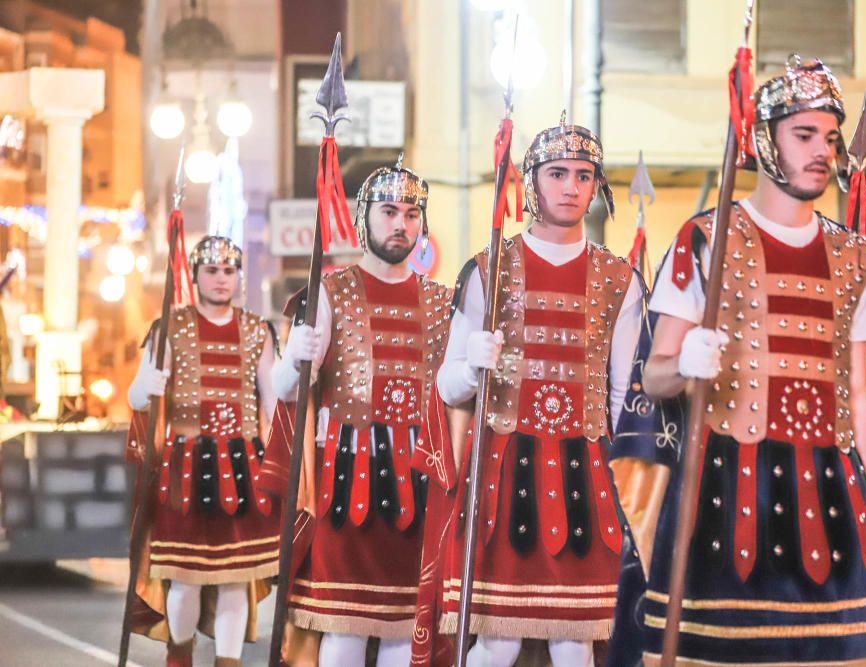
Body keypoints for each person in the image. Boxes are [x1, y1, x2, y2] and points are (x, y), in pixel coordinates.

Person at [609, 57, 866, 666]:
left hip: (832, 499)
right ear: (764, 140)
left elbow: (857, 399)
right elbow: (654, 376)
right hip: (724, 489)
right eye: (803, 135)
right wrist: (685, 362)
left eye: (828, 137)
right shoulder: (704, 239)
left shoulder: (857, 257)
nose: (821, 151)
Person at [426, 113, 643, 667]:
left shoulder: (621, 280)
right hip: (503, 468)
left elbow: (624, 398)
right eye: (557, 173)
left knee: (575, 640)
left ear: (597, 186)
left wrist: (628, 489)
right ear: (530, 182)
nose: (571, 186)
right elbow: (448, 388)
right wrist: (472, 364)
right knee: (496, 641)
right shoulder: (487, 269)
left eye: (583, 175)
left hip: (588, 473)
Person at [263, 159, 452, 666]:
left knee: (403, 632)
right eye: (390, 211)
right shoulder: (328, 293)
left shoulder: (444, 302)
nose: (401, 224)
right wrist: (293, 357)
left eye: (412, 214)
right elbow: (284, 393)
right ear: (365, 216)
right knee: (341, 630)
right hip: (345, 485)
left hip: (418, 486)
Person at [127, 235, 278, 667]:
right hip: (185, 466)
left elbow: (270, 403)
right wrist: (144, 389)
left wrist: (282, 464)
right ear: (195, 275)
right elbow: (138, 396)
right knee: (185, 578)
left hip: (245, 466)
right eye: (212, 270)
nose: (221, 279)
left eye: (229, 271)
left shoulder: (257, 330)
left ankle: (227, 663)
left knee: (236, 578)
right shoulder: (169, 327)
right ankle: (180, 656)